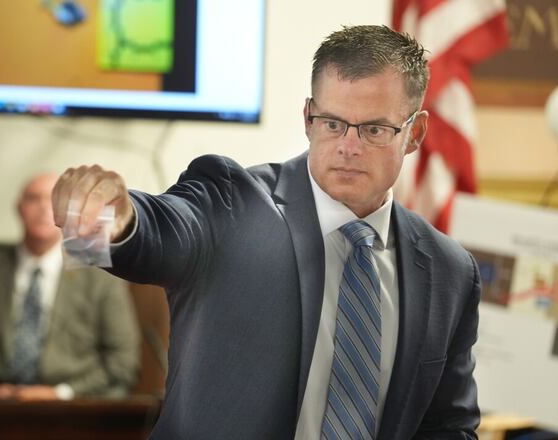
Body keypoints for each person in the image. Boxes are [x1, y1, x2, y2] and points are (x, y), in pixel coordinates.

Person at [52, 25, 481, 439]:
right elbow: (159, 231)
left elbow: (447, 427)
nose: (348, 147)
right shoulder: (231, 202)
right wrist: (114, 220)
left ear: (415, 133)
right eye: (332, 123)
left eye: (373, 130)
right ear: (309, 118)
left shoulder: (449, 271)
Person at [0, 173, 140, 401]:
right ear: (19, 208)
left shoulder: (100, 276)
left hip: (73, 412)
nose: (43, 208)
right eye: (34, 199)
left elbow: (122, 362)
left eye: (53, 200)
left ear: (67, 212)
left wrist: (59, 394)